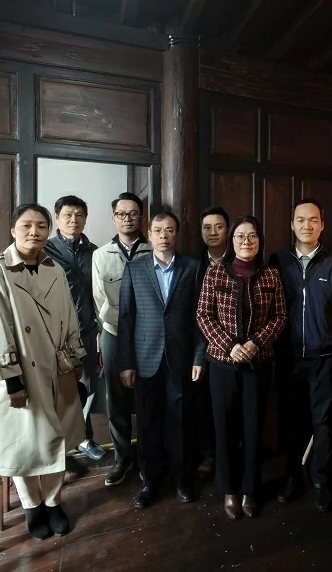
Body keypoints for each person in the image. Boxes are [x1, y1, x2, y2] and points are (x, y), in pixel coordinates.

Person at [0, 204, 85, 540]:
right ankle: (31, 506)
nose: (34, 232)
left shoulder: (54, 269)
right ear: (13, 229)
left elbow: (69, 315)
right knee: (25, 443)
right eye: (27, 225)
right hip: (23, 370)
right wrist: (12, 377)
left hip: (58, 366)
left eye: (41, 226)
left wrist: (75, 356)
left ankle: (53, 502)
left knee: (56, 439)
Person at [197, 215, 287, 520]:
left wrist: (256, 344)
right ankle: (229, 489)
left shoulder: (271, 275)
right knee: (224, 427)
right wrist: (230, 346)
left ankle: (250, 488)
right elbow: (204, 317)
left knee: (252, 427)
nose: (246, 241)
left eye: (252, 236)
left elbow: (279, 317)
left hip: (258, 364)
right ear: (231, 241)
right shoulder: (215, 274)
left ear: (260, 241)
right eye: (240, 237)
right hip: (222, 364)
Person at [270, 197, 332, 513]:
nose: (307, 225)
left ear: (322, 225)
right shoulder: (278, 261)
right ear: (292, 224)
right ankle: (292, 475)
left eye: (313, 220)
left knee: (323, 423)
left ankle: (320, 479)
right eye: (301, 220)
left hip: (325, 359)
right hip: (289, 358)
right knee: (291, 421)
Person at [118, 211, 206, 509]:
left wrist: (198, 357)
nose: (164, 235)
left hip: (180, 360)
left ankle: (183, 478)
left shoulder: (193, 268)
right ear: (150, 234)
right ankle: (150, 481)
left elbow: (200, 319)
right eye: (158, 230)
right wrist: (126, 363)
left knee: (180, 422)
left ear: (176, 235)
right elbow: (126, 317)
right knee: (148, 424)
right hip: (144, 360)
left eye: (170, 230)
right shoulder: (135, 268)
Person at [92, 192, 152, 487]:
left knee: (146, 395)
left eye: (133, 214)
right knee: (116, 397)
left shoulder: (153, 250)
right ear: (114, 217)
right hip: (114, 332)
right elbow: (98, 297)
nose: (128, 218)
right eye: (122, 214)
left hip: (147, 333)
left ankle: (146, 457)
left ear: (142, 218)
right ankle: (121, 458)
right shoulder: (101, 255)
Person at [44, 195, 103, 461]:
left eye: (79, 215)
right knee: (58, 390)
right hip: (56, 335)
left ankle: (84, 438)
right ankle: (59, 445)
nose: (73, 220)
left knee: (88, 386)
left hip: (88, 331)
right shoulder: (46, 250)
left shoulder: (95, 252)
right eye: (68, 214)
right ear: (57, 218)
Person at [193, 205, 231, 474]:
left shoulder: (240, 259)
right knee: (204, 404)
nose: (213, 232)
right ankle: (209, 453)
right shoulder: (195, 265)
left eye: (218, 226)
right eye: (207, 227)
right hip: (202, 345)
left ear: (228, 230)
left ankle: (232, 451)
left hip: (235, 346)